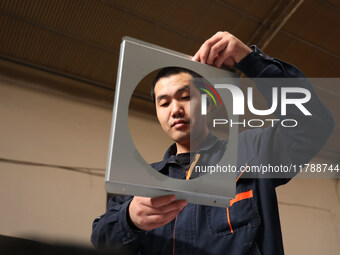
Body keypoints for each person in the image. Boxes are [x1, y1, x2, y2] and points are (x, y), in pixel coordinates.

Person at [91, 31, 335, 255]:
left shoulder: (252, 152)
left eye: (185, 97)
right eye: (164, 103)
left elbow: (313, 124)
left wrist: (251, 61)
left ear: (208, 103)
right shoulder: (139, 184)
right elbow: (100, 239)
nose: (175, 109)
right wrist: (129, 219)